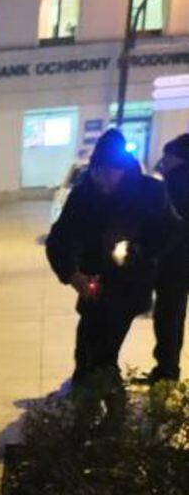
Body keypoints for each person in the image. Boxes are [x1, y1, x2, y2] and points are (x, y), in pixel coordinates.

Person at [45, 127, 171, 391]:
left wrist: (137, 251)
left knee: (105, 352)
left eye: (107, 171)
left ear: (122, 170)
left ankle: (109, 404)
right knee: (85, 349)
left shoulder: (149, 192)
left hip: (129, 286)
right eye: (96, 170)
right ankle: (84, 396)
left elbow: (169, 234)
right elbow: (61, 238)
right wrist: (72, 274)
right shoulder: (83, 195)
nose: (100, 178)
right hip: (93, 285)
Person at [147, 133, 189, 383]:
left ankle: (166, 372)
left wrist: (152, 253)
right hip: (181, 262)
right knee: (174, 316)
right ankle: (168, 370)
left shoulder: (176, 183)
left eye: (168, 155)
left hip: (174, 264)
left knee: (168, 318)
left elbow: (172, 227)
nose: (163, 160)